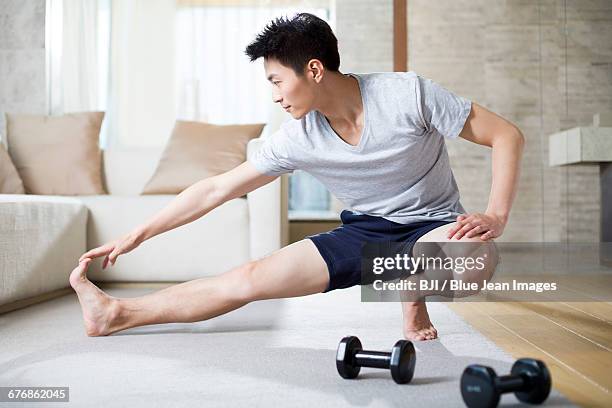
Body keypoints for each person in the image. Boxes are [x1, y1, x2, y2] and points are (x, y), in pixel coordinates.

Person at [70, 13, 523, 340]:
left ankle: (411, 294)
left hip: (434, 225)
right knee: (248, 279)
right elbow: (216, 188)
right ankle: (117, 314)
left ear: (314, 69)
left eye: (276, 81)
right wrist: (136, 234)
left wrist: (497, 216)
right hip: (365, 234)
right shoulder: (298, 137)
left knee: (473, 261)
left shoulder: (408, 94)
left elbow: (505, 134)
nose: (274, 95)